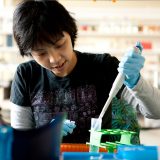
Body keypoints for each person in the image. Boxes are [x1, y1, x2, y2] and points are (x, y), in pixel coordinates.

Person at [10, 0, 160, 143]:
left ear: (70, 33)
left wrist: (136, 81)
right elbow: (19, 141)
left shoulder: (104, 66)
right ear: (29, 52)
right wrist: (46, 135)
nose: (54, 59)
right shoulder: (26, 75)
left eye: (60, 45)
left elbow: (156, 112)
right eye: (41, 53)